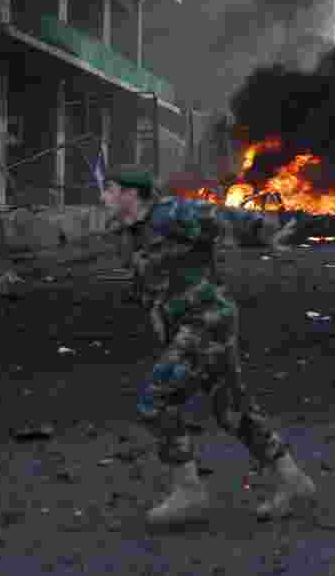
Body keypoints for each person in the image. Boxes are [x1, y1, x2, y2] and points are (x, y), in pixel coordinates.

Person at [102, 168, 316, 526]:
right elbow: (147, 280)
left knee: (156, 400)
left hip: (207, 321)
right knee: (231, 409)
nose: (103, 197)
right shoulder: (127, 234)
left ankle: (189, 489)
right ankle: (292, 479)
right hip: (187, 324)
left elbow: (222, 217)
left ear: (131, 194)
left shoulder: (172, 214)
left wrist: (266, 234)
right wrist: (155, 311)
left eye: (109, 189)